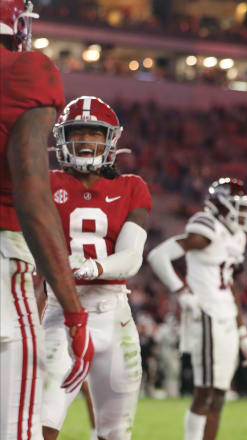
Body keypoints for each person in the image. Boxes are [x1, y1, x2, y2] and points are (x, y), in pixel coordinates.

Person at [0, 2, 93, 438]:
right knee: (18, 429)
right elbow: (33, 197)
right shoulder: (25, 69)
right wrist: (74, 312)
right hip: (3, 259)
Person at [40, 96, 151, 440]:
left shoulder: (131, 186)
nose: (86, 140)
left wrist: (89, 268)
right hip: (61, 316)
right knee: (40, 424)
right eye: (78, 132)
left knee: (115, 433)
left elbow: (131, 257)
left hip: (115, 319)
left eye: (95, 133)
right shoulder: (44, 183)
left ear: (111, 140)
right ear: (62, 137)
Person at [147, 177, 247, 440]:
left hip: (226, 316)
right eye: (237, 207)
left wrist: (243, 334)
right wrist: (183, 293)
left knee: (219, 394)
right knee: (206, 391)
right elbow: (158, 256)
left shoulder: (238, 237)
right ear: (220, 205)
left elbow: (230, 284)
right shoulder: (205, 227)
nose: (243, 214)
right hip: (206, 314)